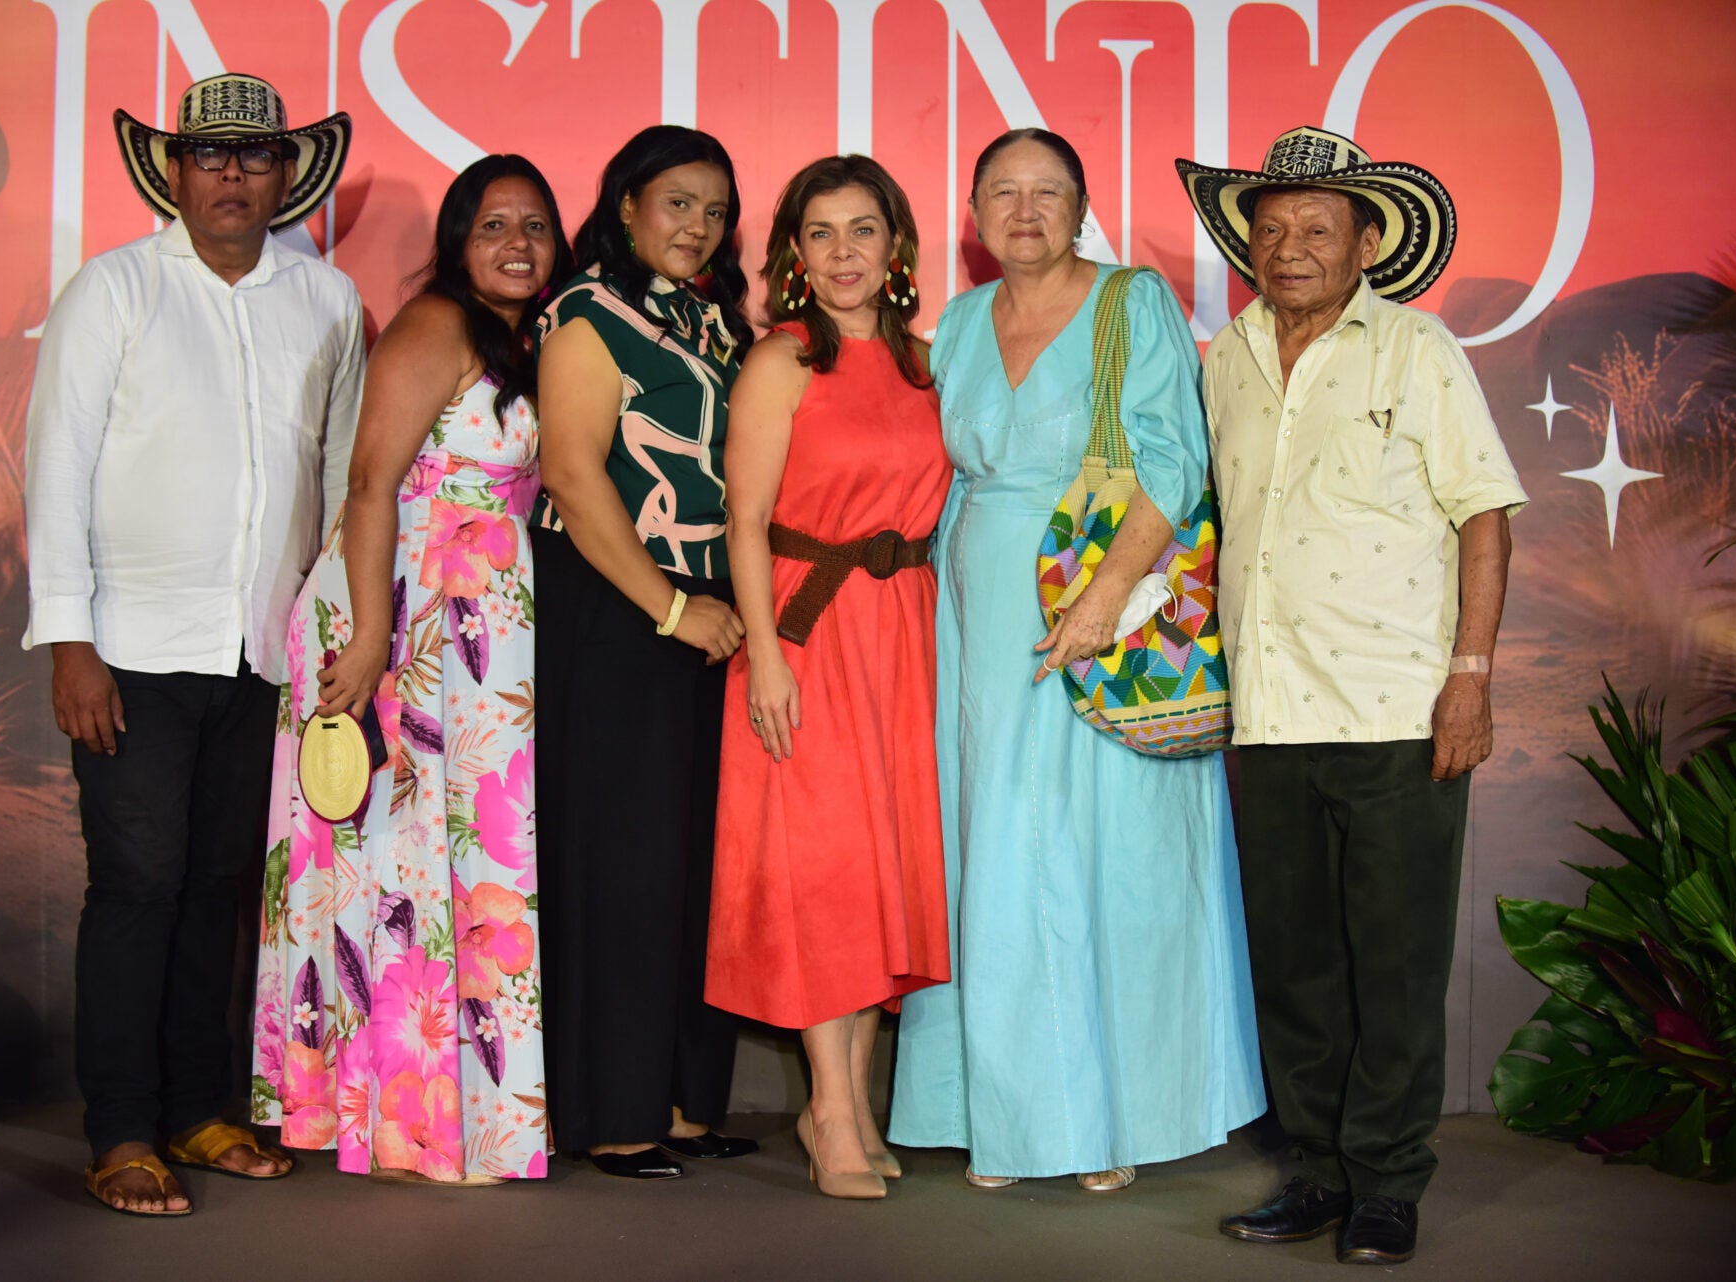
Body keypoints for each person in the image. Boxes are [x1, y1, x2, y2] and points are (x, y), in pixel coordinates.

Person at [889, 128, 1265, 1193]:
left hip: (1101, 607)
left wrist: (1102, 599)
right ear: (972, 212)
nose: (1024, 210)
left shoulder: (1130, 303)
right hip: (980, 620)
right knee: (993, 852)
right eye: (1002, 191)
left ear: (1081, 206)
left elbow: (1175, 460)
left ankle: (1106, 1115)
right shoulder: (956, 325)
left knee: (1106, 855)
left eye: (1047, 192)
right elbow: (943, 486)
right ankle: (1001, 1112)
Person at [1177, 125, 1526, 1265]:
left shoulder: (1416, 351)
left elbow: (1483, 512)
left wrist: (1467, 679)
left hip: (1394, 709)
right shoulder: (1222, 359)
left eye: (1317, 229)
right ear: (1248, 242)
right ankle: (1317, 1172)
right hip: (1266, 711)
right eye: (1270, 229)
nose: (1290, 248)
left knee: (1395, 959)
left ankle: (1388, 1180)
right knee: (1295, 961)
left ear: (1365, 240)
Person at [22, 73, 359, 1216]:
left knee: (220, 887)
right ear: (173, 171)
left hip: (262, 652)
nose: (230, 175)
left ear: (285, 175)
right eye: (208, 156)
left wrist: (335, 631)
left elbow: (338, 474)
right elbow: (56, 465)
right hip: (131, 649)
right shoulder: (113, 290)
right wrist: (70, 638)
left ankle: (201, 1107)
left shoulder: (326, 298)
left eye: (253, 158)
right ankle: (120, 1129)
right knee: (136, 885)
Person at [249, 155, 571, 1184]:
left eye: (534, 225)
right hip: (400, 608)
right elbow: (371, 484)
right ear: (456, 243)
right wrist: (375, 639)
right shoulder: (437, 323)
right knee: (393, 862)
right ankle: (396, 1116)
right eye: (492, 226)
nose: (517, 243)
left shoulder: (527, 339)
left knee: (451, 862)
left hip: (473, 629)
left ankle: (444, 1112)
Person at [707, 156, 952, 1200]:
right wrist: (765, 653)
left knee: (881, 868)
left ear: (895, 246)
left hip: (904, 635)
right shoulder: (781, 361)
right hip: (806, 639)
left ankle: (839, 1097)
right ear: (793, 253)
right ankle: (836, 1111)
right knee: (826, 875)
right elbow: (746, 521)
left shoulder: (933, 364)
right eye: (822, 233)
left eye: (864, 230)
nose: (844, 253)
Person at [532, 125, 758, 1180]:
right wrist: (671, 611)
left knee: (696, 859)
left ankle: (682, 1100)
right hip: (625, 610)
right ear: (625, 206)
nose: (697, 225)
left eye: (715, 209)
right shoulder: (585, 313)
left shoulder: (718, 324)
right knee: (625, 864)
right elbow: (575, 480)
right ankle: (614, 1110)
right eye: (677, 203)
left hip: (708, 608)